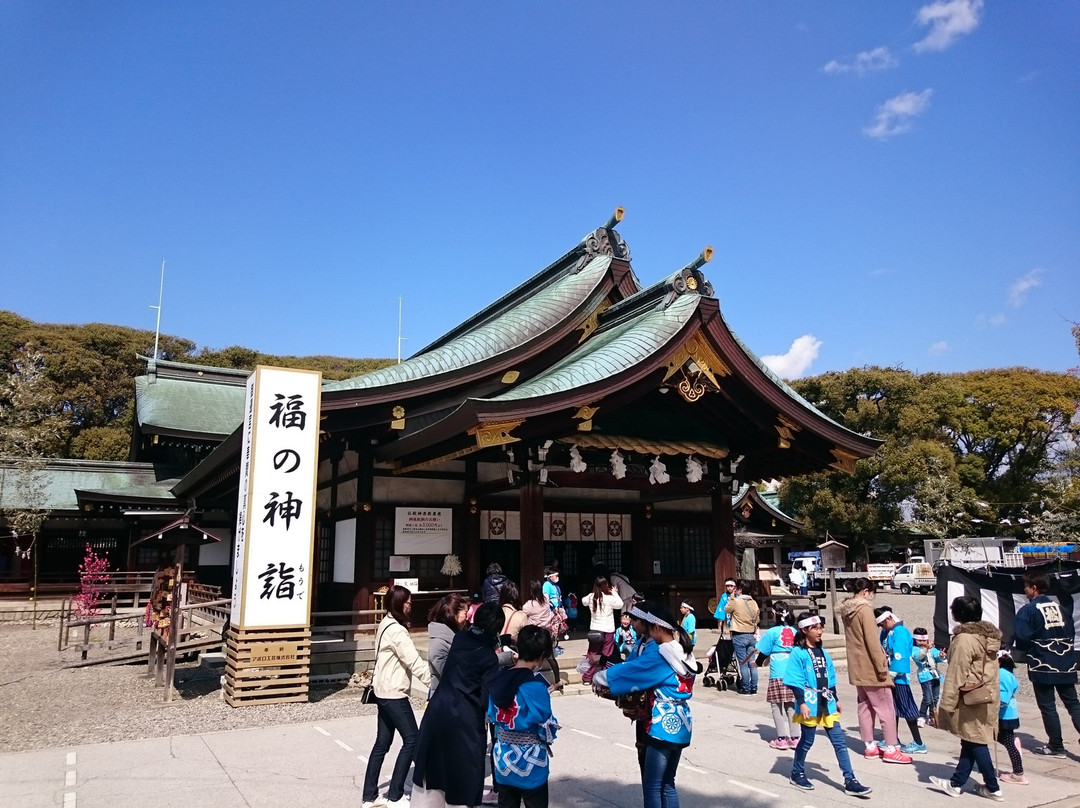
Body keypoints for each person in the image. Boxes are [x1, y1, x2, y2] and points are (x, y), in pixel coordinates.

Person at [593, 603, 701, 808]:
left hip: (661, 722)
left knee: (652, 786)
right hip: (682, 720)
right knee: (668, 784)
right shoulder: (682, 652)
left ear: (657, 628)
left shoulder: (662, 655)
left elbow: (635, 670)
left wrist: (601, 676)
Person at [411, 602, 504, 808]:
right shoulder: (488, 657)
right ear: (497, 628)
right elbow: (488, 695)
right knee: (462, 778)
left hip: (438, 710)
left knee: (433, 774)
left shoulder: (460, 638)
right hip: (465, 719)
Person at [783, 612, 872, 797]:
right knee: (807, 740)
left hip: (827, 702)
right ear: (804, 630)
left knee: (839, 742)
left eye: (820, 627)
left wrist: (836, 698)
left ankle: (850, 780)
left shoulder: (822, 651)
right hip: (810, 701)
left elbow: (830, 678)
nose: (819, 631)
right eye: (815, 628)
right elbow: (795, 679)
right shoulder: (798, 653)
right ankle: (797, 771)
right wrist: (802, 703)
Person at [363, 585, 432, 808]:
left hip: (382, 690)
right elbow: (414, 661)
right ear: (398, 604)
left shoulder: (385, 623)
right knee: (412, 740)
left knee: (382, 743)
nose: (410, 605)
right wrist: (435, 683)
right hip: (393, 693)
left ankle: (369, 796)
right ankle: (395, 795)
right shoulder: (397, 631)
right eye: (407, 602)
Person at [929, 595, 1003, 800]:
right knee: (970, 740)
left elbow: (956, 673)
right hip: (987, 694)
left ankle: (993, 786)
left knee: (976, 741)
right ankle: (956, 783)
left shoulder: (964, 639)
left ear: (959, 614)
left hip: (970, 695)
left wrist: (946, 704)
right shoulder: (988, 636)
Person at [837, 578, 911, 764]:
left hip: (857, 666)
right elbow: (872, 641)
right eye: (872, 593)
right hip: (871, 666)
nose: (872, 597)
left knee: (864, 706)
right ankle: (891, 748)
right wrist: (881, 667)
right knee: (885, 707)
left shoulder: (847, 611)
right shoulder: (864, 609)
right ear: (866, 592)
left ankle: (869, 745)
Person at [487, 625, 561, 808]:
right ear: (542, 655)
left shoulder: (497, 680)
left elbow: (492, 715)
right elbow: (545, 724)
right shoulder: (536, 687)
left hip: (503, 759)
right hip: (531, 763)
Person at [1013, 570, 1080, 758]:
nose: (1025, 591)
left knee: (1048, 706)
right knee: (1073, 704)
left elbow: (1022, 637)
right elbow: (1071, 633)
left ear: (1033, 588)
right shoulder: (1060, 608)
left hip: (1042, 662)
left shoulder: (1028, 610)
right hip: (1065, 661)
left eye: (1026, 587)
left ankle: (1056, 746)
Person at [874, 606, 926, 754]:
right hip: (890, 675)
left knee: (907, 708)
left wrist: (892, 674)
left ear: (889, 618)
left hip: (899, 677)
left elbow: (900, 654)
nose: (881, 627)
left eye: (883, 624)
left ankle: (918, 742)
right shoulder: (886, 632)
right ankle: (893, 738)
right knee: (893, 709)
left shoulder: (900, 631)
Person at [756, 601, 799, 749]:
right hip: (792, 672)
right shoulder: (794, 632)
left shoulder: (772, 632)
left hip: (777, 673)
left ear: (774, 614)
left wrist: (757, 663)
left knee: (776, 706)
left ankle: (781, 738)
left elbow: (763, 652)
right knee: (791, 705)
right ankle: (795, 737)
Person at [580, 576, 623, 683]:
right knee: (606, 654)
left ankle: (587, 677)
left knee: (592, 654)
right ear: (606, 586)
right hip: (608, 629)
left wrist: (592, 594)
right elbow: (620, 604)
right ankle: (603, 677)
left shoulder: (591, 597)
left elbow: (583, 601)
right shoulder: (609, 598)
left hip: (595, 629)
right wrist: (614, 593)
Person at [426, 592, 469, 698]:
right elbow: (452, 674)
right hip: (444, 700)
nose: (467, 618)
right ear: (454, 614)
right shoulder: (438, 644)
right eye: (465, 613)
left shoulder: (457, 637)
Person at [997, 651, 1027, 785]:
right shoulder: (1009, 674)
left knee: (1006, 741)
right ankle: (1014, 746)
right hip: (1010, 713)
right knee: (1000, 738)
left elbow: (1003, 698)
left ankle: (1018, 773)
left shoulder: (1001, 674)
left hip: (1004, 714)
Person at [725, 579, 760, 695]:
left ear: (739, 589)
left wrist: (731, 597)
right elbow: (757, 619)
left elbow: (727, 609)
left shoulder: (736, 601)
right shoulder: (753, 602)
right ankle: (754, 687)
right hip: (751, 635)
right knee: (752, 661)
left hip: (739, 634)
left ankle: (746, 688)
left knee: (743, 663)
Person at [911, 627, 944, 727]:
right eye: (919, 640)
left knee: (935, 697)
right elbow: (919, 657)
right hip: (925, 676)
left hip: (935, 675)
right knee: (928, 698)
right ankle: (921, 715)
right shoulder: (915, 649)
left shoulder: (931, 649)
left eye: (924, 640)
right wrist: (926, 648)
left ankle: (932, 716)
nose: (922, 642)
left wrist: (941, 655)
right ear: (915, 640)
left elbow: (937, 657)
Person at [498, 581, 528, 646]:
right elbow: (525, 641)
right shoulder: (521, 616)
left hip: (494, 652)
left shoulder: (494, 613)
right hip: (511, 652)